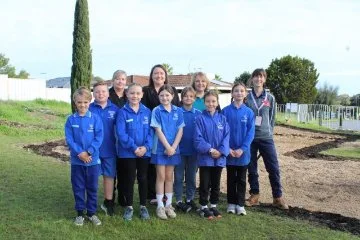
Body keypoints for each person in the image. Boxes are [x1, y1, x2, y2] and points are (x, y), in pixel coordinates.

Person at [245, 68, 289, 210]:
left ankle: (277, 197)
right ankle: (255, 195)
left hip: (266, 138)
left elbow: (272, 118)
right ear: (252, 79)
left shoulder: (270, 98)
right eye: (256, 77)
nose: (258, 79)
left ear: (264, 79)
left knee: (273, 168)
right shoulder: (247, 98)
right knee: (252, 168)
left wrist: (268, 132)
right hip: (251, 138)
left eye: (261, 77)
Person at [141, 64, 180, 205]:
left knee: (167, 173)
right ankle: (153, 195)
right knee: (155, 168)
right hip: (153, 132)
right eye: (156, 73)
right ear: (151, 76)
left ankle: (166, 198)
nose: (159, 76)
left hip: (170, 134)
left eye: (161, 73)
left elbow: (177, 112)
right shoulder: (146, 91)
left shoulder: (172, 90)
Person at [64, 87, 103, 226]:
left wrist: (89, 152)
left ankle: (91, 213)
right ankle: (80, 213)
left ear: (90, 101)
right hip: (77, 161)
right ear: (75, 102)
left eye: (85, 102)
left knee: (92, 187)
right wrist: (80, 153)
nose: (82, 105)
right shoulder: (70, 120)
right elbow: (70, 139)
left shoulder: (95, 118)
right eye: (79, 102)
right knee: (78, 187)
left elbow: (99, 137)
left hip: (92, 161)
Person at [116, 83, 153, 221]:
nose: (135, 96)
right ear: (127, 94)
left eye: (138, 93)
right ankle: (129, 207)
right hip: (127, 153)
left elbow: (151, 132)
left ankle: (143, 206)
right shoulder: (122, 112)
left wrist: (145, 147)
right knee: (129, 179)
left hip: (144, 152)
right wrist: (134, 148)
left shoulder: (147, 112)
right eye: (132, 93)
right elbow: (121, 133)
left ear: (142, 95)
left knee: (143, 178)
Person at [194, 90, 230, 219]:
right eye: (208, 101)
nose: (211, 104)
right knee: (205, 183)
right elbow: (198, 138)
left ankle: (213, 205)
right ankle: (203, 206)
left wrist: (220, 151)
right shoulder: (200, 119)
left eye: (213, 101)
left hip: (219, 158)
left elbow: (226, 137)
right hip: (205, 158)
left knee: (216, 183)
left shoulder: (223, 119)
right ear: (204, 103)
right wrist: (210, 150)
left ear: (217, 102)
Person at [150, 84, 184, 220]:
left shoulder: (178, 111)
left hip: (174, 149)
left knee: (170, 177)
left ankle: (169, 205)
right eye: (162, 95)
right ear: (158, 96)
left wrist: (173, 148)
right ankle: (160, 206)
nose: (164, 97)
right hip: (160, 148)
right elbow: (158, 130)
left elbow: (180, 130)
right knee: (161, 177)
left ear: (173, 96)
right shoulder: (156, 111)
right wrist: (167, 147)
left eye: (167, 95)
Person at [222, 83, 255, 216]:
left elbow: (251, 132)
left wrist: (243, 148)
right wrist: (228, 148)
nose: (239, 93)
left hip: (243, 154)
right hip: (229, 153)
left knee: (241, 180)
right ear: (232, 94)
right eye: (236, 91)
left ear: (245, 94)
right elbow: (222, 132)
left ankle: (240, 205)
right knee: (231, 179)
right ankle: (231, 203)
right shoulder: (225, 111)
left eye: (242, 91)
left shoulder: (249, 112)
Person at [89, 81, 118, 216]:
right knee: (92, 177)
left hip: (110, 149)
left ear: (108, 93)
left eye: (103, 91)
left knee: (109, 176)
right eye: (97, 92)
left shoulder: (115, 110)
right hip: (92, 150)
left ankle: (108, 202)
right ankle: (91, 203)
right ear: (93, 94)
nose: (100, 94)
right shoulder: (88, 108)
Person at [174, 86, 201, 213]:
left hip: (194, 152)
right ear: (181, 98)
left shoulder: (199, 114)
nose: (188, 98)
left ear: (194, 98)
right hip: (179, 151)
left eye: (191, 96)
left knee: (191, 177)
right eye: (185, 96)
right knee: (178, 177)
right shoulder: (177, 112)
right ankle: (178, 200)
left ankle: (190, 199)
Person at [108, 70, 127, 207]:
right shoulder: (107, 95)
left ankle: (123, 197)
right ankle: (110, 198)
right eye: (118, 79)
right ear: (113, 80)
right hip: (111, 135)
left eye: (123, 79)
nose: (120, 81)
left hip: (125, 138)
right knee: (111, 171)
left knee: (124, 170)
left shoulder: (129, 95)